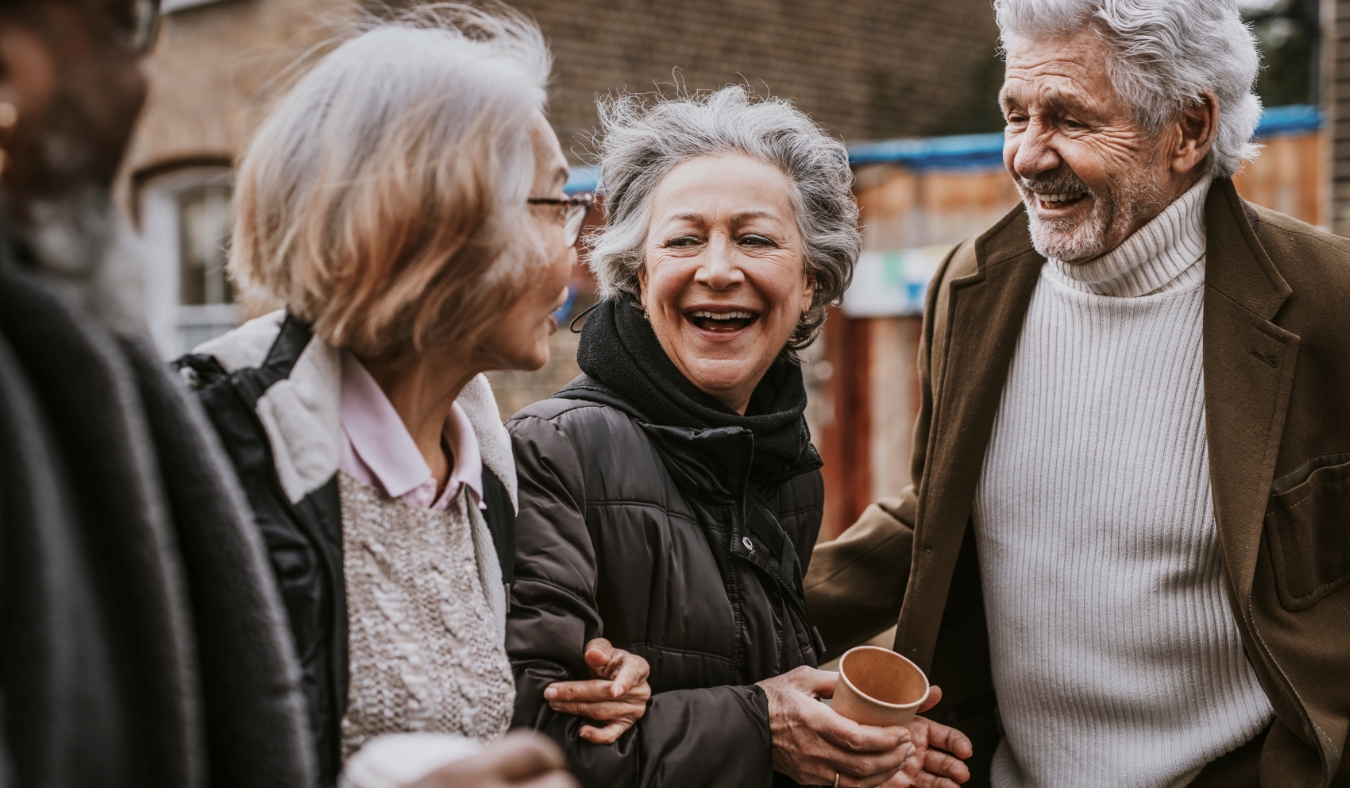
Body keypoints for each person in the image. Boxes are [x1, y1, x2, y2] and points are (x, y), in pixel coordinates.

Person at [807, 0, 1350, 786]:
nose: (1027, 155)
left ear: (1189, 130)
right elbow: (936, 512)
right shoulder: (972, 286)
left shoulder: (1328, 306)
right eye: (1015, 113)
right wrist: (708, 633)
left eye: (1066, 118)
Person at [176, 7, 643, 787]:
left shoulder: (485, 472)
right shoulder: (211, 451)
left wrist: (582, 701)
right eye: (556, 202)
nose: (578, 241)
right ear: (442, 222)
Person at [505, 85, 971, 788]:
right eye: (684, 239)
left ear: (812, 280)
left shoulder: (785, 465)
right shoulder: (553, 452)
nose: (718, 270)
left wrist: (849, 744)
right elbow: (531, 748)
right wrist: (763, 727)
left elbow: (758, 702)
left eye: (754, 239)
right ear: (637, 273)